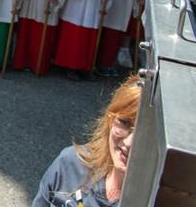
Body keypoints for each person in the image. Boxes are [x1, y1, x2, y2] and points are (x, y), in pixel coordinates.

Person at [32, 75, 141, 206]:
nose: (129, 142)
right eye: (124, 122)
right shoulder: (71, 164)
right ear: (109, 119)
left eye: (143, 133)